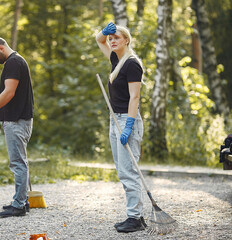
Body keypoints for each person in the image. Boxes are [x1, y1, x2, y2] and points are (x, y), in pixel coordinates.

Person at [96, 22, 146, 232]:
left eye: (117, 37)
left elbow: (135, 97)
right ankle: (134, 215)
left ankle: (135, 218)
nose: (112, 41)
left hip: (127, 120)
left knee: (128, 171)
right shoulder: (117, 59)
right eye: (111, 38)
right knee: (122, 170)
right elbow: (99, 40)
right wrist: (103, 32)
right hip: (114, 118)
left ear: (126, 40)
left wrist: (129, 126)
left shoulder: (132, 63)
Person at [0, 37, 34, 218]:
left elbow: (9, 92)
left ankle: (18, 205)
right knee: (20, 161)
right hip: (18, 119)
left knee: (18, 163)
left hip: (17, 121)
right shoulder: (16, 62)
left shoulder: (13, 63)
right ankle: (22, 200)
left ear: (1, 48)